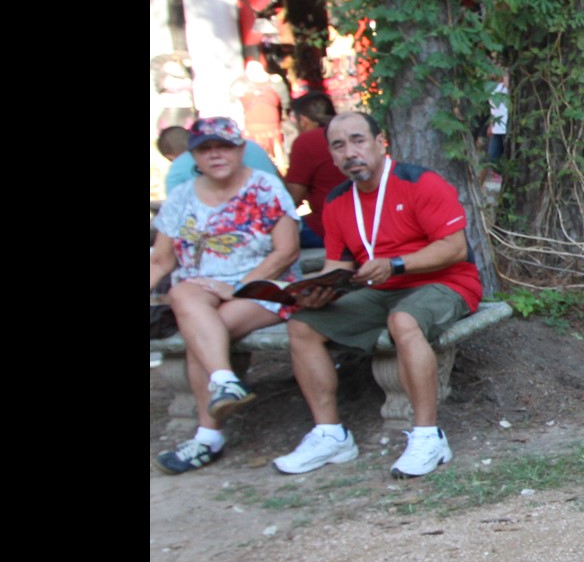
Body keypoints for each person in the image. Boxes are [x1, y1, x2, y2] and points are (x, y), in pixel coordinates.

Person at [272, 111, 482, 479]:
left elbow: (454, 248)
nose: (350, 151)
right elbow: (336, 264)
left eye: (358, 140)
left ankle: (427, 436)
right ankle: (330, 434)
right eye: (339, 146)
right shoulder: (337, 201)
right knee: (303, 325)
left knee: (403, 319)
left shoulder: (420, 182)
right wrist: (317, 291)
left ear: (380, 142)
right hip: (378, 288)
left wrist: (397, 264)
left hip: (445, 282)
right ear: (333, 157)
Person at [149, 117, 302, 473]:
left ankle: (207, 438)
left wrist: (236, 287)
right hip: (200, 291)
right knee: (185, 296)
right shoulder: (182, 196)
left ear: (240, 149)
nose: (215, 155)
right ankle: (226, 381)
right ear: (193, 157)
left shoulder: (265, 187)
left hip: (262, 287)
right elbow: (161, 260)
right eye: (205, 149)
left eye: (223, 146)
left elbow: (286, 252)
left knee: (200, 331)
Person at [283, 92, 348, 248]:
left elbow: (291, 199)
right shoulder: (353, 133)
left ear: (303, 121)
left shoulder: (306, 142)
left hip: (328, 230)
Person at [486, 76, 510, 164]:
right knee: (491, 158)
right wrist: (491, 124)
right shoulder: (491, 87)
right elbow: (493, 108)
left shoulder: (505, 86)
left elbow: (507, 85)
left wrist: (505, 73)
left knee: (494, 157)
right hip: (497, 127)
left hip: (506, 125)